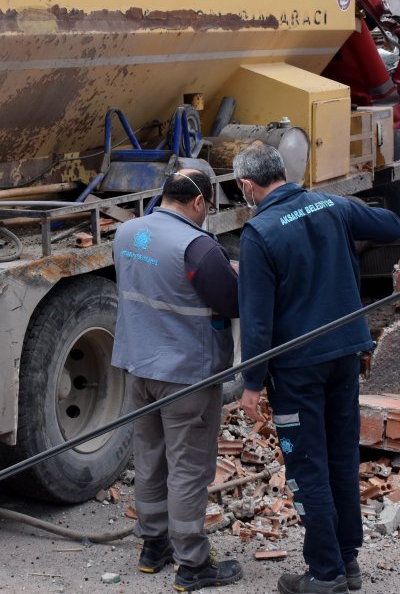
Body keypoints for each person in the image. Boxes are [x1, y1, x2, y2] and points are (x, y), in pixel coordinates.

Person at [233, 142, 400, 594]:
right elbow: (391, 225)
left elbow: (256, 319)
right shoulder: (331, 204)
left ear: (248, 185)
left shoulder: (259, 233)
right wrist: (339, 217)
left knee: (308, 465)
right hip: (345, 356)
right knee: (341, 457)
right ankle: (347, 561)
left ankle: (324, 573)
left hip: (297, 370)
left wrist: (252, 382)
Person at [112, 169, 244, 592]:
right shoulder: (199, 247)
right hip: (186, 376)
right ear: (200, 202)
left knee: (149, 458)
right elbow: (232, 301)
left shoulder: (127, 232)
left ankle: (153, 547)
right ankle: (192, 565)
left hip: (139, 367)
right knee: (188, 468)